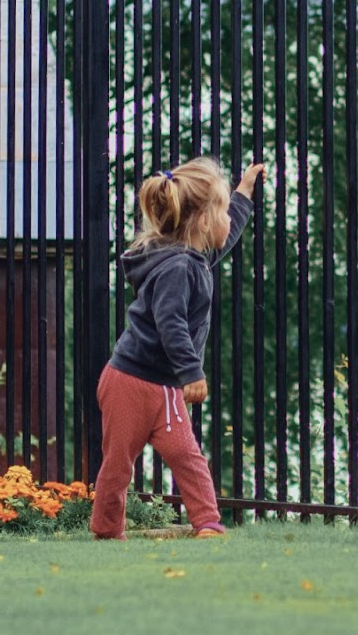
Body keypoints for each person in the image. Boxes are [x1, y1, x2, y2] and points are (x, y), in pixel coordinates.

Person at [90, 156, 265, 540]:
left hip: (163, 388)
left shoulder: (193, 260)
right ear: (203, 221)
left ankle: (208, 524)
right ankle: (106, 531)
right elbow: (171, 324)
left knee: (187, 457)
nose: (228, 222)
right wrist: (192, 372)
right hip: (130, 384)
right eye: (223, 213)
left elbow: (227, 237)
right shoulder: (177, 268)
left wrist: (242, 194)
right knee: (118, 463)